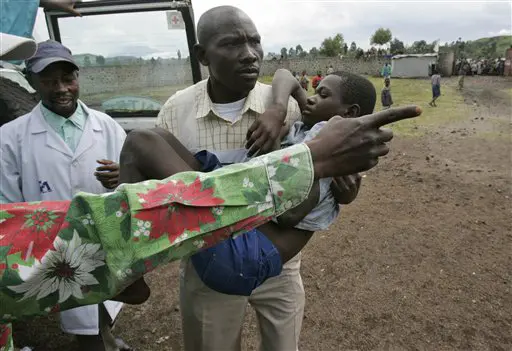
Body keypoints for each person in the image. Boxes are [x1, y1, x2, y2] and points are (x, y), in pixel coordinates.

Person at [0, 30, 424, 351]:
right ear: (203, 56)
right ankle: (126, 269)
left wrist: (292, 129)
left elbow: (323, 189)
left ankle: (124, 270)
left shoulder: (305, 115)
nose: (250, 54)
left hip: (267, 254)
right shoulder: (179, 108)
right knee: (145, 142)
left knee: (283, 340)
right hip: (215, 248)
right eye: (233, 44)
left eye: (255, 42)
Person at [0, 40, 129, 351]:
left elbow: (132, 180)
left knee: (106, 296)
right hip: (52, 241)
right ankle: (96, 342)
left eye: (68, 79)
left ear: (78, 78)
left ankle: (105, 336)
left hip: (104, 233)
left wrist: (122, 176)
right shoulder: (11, 137)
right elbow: (8, 204)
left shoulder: (107, 126)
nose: (61, 88)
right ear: (32, 82)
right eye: (49, 81)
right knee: (79, 311)